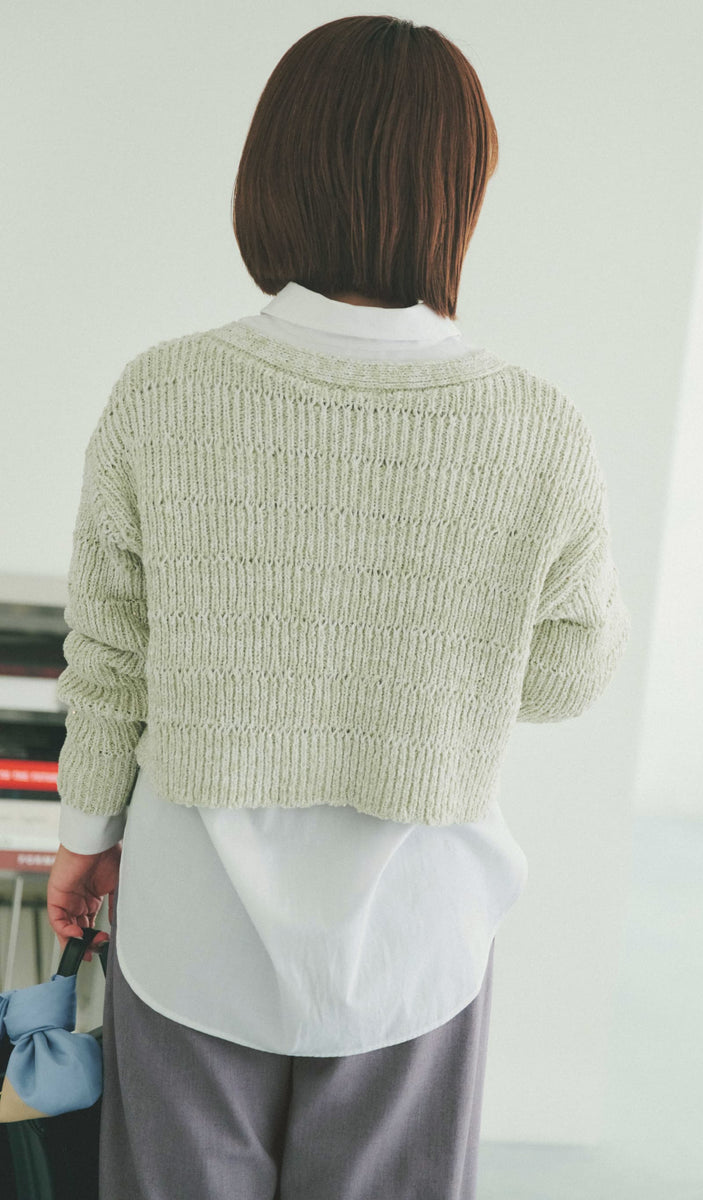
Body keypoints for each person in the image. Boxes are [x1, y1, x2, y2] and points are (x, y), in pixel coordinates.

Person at [45, 15, 631, 1200]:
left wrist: (82, 844)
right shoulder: (536, 427)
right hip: (418, 931)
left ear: (274, 172)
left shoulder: (167, 393)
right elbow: (570, 676)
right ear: (457, 195)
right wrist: (432, 658)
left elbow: (110, 661)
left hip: (189, 921)